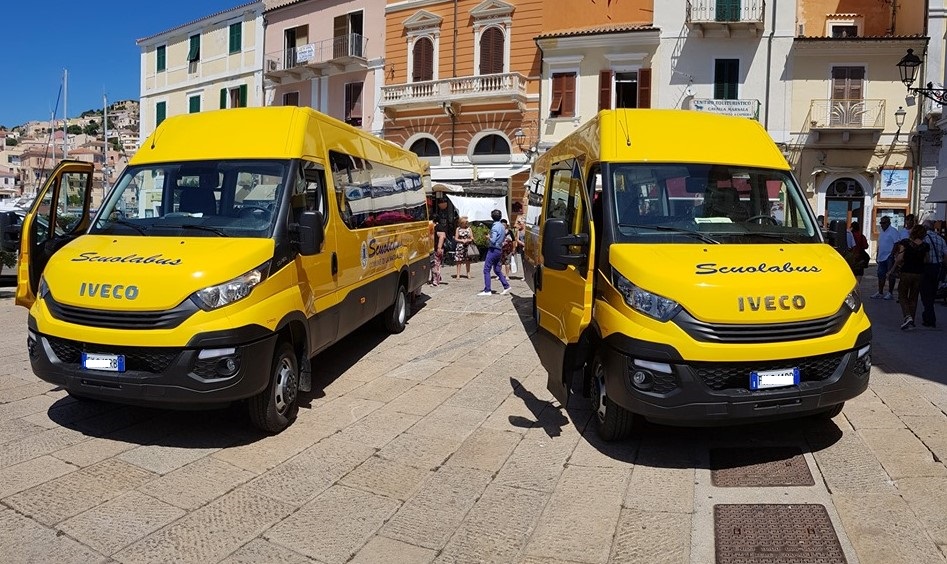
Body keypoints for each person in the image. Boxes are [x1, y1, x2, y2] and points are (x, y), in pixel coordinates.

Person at [894, 223, 930, 330]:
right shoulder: (925, 246)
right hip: (919, 273)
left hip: (906, 272)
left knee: (902, 295)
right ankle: (911, 322)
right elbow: (926, 260)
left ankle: (907, 316)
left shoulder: (905, 243)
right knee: (913, 297)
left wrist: (893, 268)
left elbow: (900, 258)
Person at [919, 219, 947, 328]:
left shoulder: (923, 239)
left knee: (926, 295)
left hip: (926, 269)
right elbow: (945, 257)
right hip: (937, 269)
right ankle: (928, 315)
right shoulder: (941, 239)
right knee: (932, 293)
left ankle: (929, 318)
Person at [479, 209, 511, 296]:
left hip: (493, 249)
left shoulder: (494, 227)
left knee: (486, 269)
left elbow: (493, 240)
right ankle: (506, 285)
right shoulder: (502, 226)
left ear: (492, 217)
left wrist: (488, 237)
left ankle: (487, 290)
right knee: (497, 269)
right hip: (499, 249)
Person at [872, 215, 901, 300]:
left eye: (884, 223)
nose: (882, 224)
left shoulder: (893, 231)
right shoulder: (882, 232)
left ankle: (890, 292)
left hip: (889, 256)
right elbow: (880, 244)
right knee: (880, 275)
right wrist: (877, 254)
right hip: (882, 256)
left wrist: (892, 254)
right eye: (881, 223)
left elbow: (897, 243)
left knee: (891, 275)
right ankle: (880, 292)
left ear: (888, 223)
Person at [430, 217, 447, 286]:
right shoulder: (439, 226)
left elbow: (442, 236)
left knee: (435, 265)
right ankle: (436, 278)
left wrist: (439, 247)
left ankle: (436, 281)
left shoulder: (438, 227)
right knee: (435, 264)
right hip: (437, 248)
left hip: (437, 249)